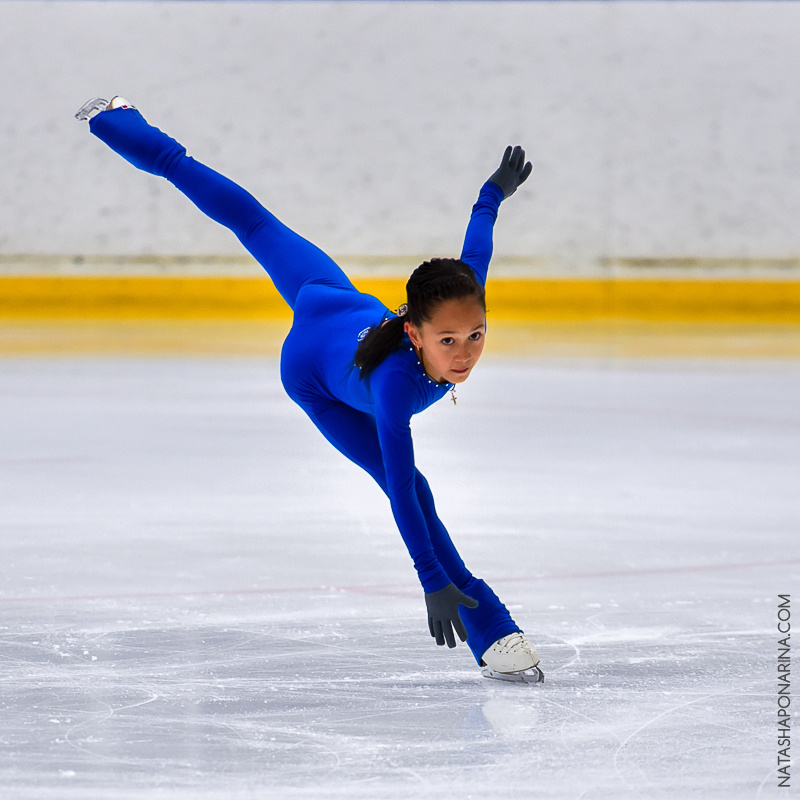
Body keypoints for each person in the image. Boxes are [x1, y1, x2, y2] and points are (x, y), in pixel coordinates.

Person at [76, 96, 543, 683]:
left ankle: (118, 122)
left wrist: (492, 192)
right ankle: (493, 630)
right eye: (448, 340)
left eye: (475, 334)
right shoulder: (397, 385)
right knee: (251, 219)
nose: (466, 351)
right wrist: (432, 580)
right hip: (313, 374)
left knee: (255, 223)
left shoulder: (455, 296)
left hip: (334, 299)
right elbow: (400, 490)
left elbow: (478, 242)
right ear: (416, 332)